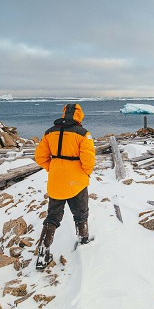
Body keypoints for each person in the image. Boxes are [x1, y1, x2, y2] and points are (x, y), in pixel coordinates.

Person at [34, 103, 96, 263]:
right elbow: (88, 159)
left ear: (64, 114)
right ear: (79, 115)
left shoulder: (49, 132)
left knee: (53, 216)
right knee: (81, 213)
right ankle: (83, 240)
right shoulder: (83, 134)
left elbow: (40, 157)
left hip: (56, 180)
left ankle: (43, 251)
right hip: (77, 181)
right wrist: (86, 173)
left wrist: (53, 168)